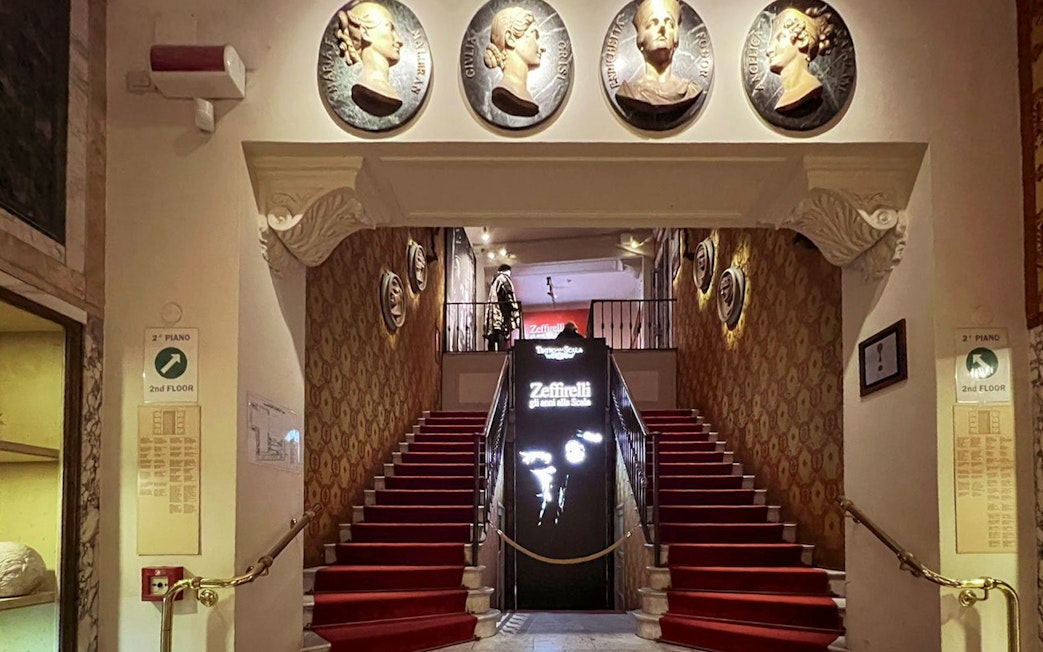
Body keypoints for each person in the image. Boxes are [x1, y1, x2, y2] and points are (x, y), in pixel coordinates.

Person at [616, 0, 702, 115]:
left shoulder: (690, 90)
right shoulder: (629, 92)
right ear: (640, 39)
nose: (662, 27)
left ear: (675, 40)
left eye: (669, 24)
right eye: (652, 23)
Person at [337, 2, 405, 117]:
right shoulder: (364, 88)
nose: (399, 40)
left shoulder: (391, 91)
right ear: (365, 33)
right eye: (389, 28)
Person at [766, 5, 836, 113]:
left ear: (803, 41)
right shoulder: (784, 96)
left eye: (780, 38)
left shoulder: (810, 88)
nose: (769, 50)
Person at [483, 7, 545, 117]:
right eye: (534, 36)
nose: (542, 47)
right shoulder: (503, 93)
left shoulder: (526, 96)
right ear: (510, 39)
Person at [484, 264, 520, 351]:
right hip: (500, 317)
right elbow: (509, 296)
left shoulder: (495, 282)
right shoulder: (504, 279)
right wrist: (516, 313)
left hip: (492, 319)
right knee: (502, 343)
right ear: (508, 271)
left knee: (492, 343)